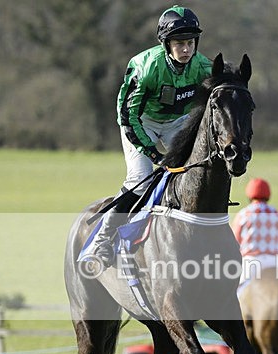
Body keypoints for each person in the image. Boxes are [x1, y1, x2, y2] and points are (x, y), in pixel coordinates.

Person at [88, 5, 212, 269]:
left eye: (190, 43)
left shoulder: (203, 67)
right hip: (140, 124)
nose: (186, 49)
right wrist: (153, 153)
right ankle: (102, 238)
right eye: (180, 44)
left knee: (192, 172)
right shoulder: (146, 67)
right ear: (166, 44)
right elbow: (127, 116)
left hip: (176, 124)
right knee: (141, 179)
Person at [232, 178, 278, 284]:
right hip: (274, 262)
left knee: (237, 293)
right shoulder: (276, 214)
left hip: (251, 262)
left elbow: (235, 241)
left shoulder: (244, 214)